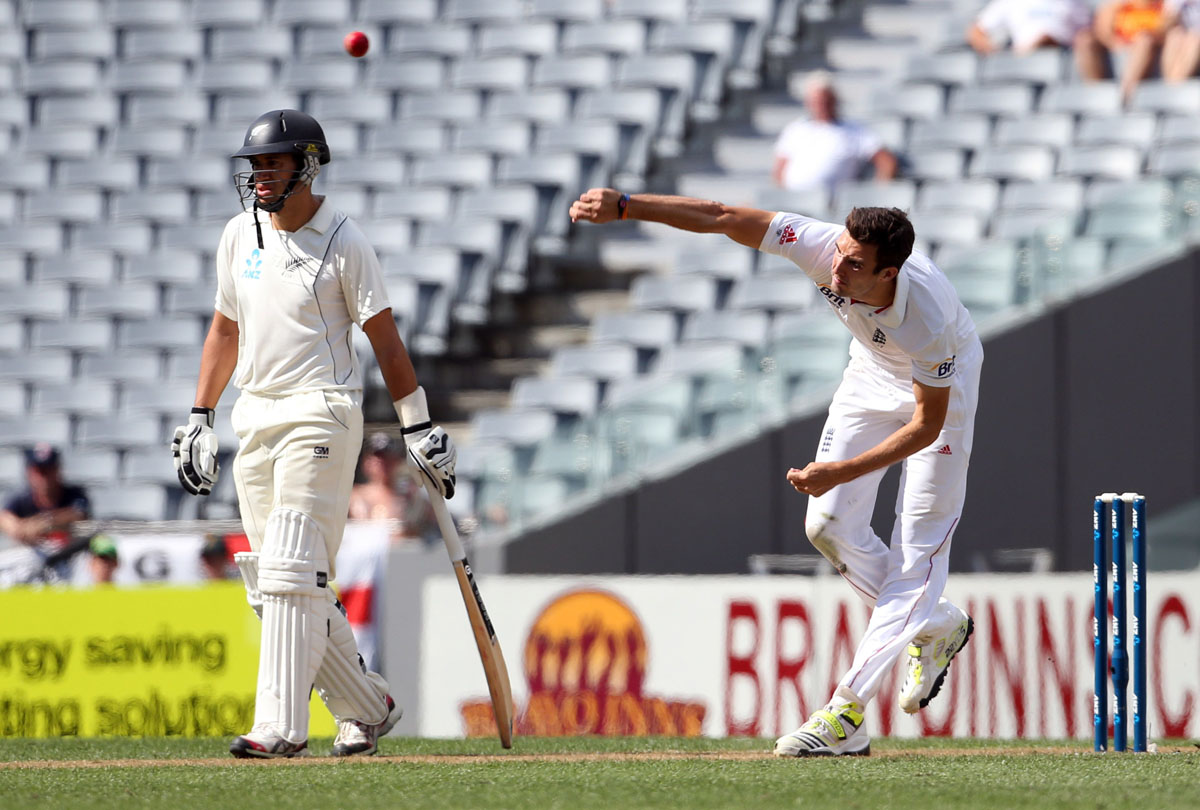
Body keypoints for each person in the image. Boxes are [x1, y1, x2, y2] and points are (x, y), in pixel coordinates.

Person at [570, 189, 981, 756]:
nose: (836, 267)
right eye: (838, 251)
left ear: (889, 273)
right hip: (870, 373)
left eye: (854, 265)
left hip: (938, 398)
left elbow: (926, 427)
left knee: (919, 556)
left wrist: (841, 470)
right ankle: (934, 620)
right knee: (827, 527)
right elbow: (722, 217)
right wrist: (626, 206)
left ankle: (846, 713)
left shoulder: (928, 318)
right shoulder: (825, 248)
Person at [170, 109, 457, 759]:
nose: (260, 177)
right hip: (257, 416)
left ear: (308, 165)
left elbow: (384, 338)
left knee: (293, 565)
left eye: (273, 164)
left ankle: (280, 725)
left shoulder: (344, 240)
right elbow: (224, 330)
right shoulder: (238, 235)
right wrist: (200, 414)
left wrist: (419, 425)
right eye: (255, 166)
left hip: (322, 412)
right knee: (275, 582)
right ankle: (365, 704)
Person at [771, 72, 898, 194]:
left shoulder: (854, 130)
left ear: (835, 100)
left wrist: (876, 195)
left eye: (826, 101)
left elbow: (886, 161)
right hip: (793, 202)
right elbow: (779, 170)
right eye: (816, 101)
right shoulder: (795, 129)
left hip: (834, 204)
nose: (821, 106)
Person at [0, 444, 90, 578]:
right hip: (32, 562)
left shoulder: (73, 495)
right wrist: (22, 528)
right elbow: (6, 519)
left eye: (48, 470)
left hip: (68, 560)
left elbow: (78, 515)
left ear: (57, 471)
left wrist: (43, 524)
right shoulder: (22, 498)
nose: (44, 478)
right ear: (30, 473)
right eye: (39, 471)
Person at [967, 0, 1106, 80]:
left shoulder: (1071, 2)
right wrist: (995, 54)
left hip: (1063, 51)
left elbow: (1089, 29)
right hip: (1023, 55)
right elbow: (976, 31)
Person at [348, 432, 435, 544]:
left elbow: (435, 524)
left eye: (387, 457)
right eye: (377, 456)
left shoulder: (411, 498)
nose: (382, 462)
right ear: (366, 462)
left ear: (397, 461)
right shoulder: (353, 496)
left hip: (405, 555)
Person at [1078, 0, 1169, 101]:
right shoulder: (1118, 5)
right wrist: (1115, 43)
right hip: (1119, 46)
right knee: (1084, 40)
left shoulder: (1164, 6)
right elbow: (1102, 29)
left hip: (1145, 49)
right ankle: (1096, 96)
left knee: (1144, 40)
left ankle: (1124, 97)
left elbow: (1166, 31)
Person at [1163, 0, 1200, 80]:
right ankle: (1171, 81)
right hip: (1185, 37)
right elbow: (1165, 26)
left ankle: (1175, 84)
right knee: (1175, 35)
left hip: (1195, 37)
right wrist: (1175, 15)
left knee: (1194, 39)